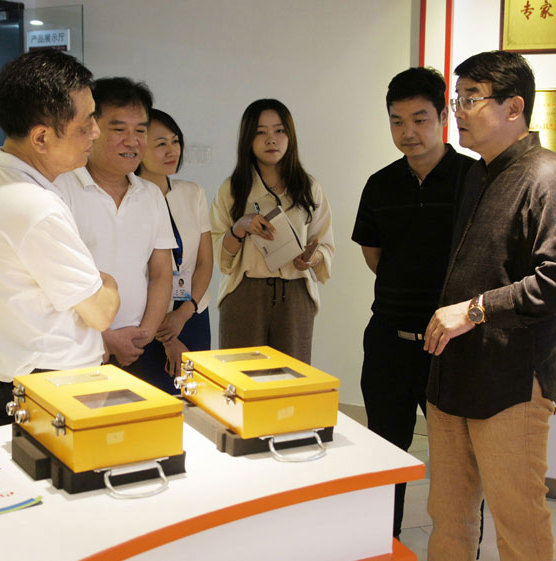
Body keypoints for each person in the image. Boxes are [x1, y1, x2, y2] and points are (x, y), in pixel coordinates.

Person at [423, 50, 556, 561]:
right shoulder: (478, 173)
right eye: (457, 99)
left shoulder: (547, 175)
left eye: (471, 98)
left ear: (514, 107)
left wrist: (473, 310)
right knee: (448, 517)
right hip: (452, 374)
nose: (459, 111)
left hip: (509, 382)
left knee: (519, 523)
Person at [0, 51, 120, 429]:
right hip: (49, 392)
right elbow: (100, 312)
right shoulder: (34, 206)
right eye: (85, 123)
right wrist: (109, 282)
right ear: (41, 137)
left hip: (15, 383)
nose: (95, 132)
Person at [352, 67, 475, 540]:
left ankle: (456, 547)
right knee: (385, 451)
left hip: (453, 345)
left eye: (420, 119)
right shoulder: (380, 184)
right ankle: (385, 542)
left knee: (457, 459)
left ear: (443, 117)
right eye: (397, 121)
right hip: (389, 340)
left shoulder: (474, 179)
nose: (408, 132)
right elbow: (374, 255)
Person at [51, 78, 176, 380]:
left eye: (140, 131)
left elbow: (161, 273)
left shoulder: (151, 195)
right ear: (91, 130)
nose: (132, 142)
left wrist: (145, 333)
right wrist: (105, 338)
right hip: (77, 350)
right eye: (119, 130)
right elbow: (55, 281)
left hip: (136, 349)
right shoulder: (61, 188)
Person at [210, 99, 333, 363]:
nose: (271, 140)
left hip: (295, 293)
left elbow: (325, 244)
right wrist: (240, 227)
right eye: (260, 132)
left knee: (292, 378)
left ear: (290, 136)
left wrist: (311, 257)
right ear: (248, 138)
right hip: (244, 293)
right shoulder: (232, 189)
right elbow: (218, 254)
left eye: (279, 131)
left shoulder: (309, 188)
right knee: (241, 376)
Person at [135, 109, 214, 393]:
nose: (172, 151)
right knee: (154, 401)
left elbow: (205, 262)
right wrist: (168, 336)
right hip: (147, 321)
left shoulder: (193, 193)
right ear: (139, 148)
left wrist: (184, 313)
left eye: (175, 141)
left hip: (193, 313)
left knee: (196, 398)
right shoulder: (130, 199)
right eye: (161, 144)